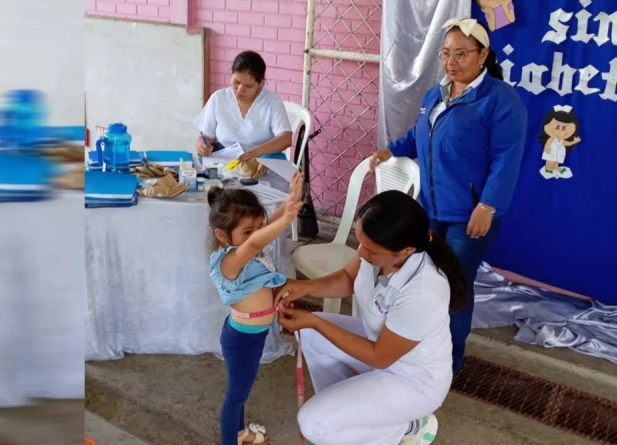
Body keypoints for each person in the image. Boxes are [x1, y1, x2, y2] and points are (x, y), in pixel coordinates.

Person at [369, 18, 528, 374]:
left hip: (468, 214)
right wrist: (391, 151)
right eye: (445, 53)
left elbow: (507, 158)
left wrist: (487, 206)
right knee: (425, 282)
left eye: (461, 54)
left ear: (483, 54)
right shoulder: (437, 93)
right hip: (431, 210)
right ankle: (420, 349)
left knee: (454, 288)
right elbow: (420, 134)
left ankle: (448, 364)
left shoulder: (501, 101)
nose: (451, 62)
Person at [274, 190, 469, 445]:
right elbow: (348, 278)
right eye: (360, 243)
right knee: (311, 334)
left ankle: (408, 428)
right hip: (381, 349)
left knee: (314, 424)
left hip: (413, 380)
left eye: (371, 251)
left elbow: (379, 356)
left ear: (407, 250)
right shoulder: (379, 249)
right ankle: (357, 417)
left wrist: (315, 320)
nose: (362, 254)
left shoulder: (424, 291)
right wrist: (305, 287)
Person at [207, 173, 303, 445]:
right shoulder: (231, 261)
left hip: (251, 335)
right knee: (236, 395)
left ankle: (238, 433)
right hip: (243, 339)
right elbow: (256, 241)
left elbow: (260, 233)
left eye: (258, 227)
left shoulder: (245, 246)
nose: (257, 234)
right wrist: (286, 220)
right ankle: (230, 440)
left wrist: (290, 201)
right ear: (222, 236)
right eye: (248, 231)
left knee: (239, 393)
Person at [194, 50, 293, 163]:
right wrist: (201, 144)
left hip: (260, 161)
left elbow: (286, 138)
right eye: (236, 82)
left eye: (248, 86)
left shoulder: (271, 101)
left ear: (260, 84)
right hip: (226, 161)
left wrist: (254, 152)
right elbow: (207, 136)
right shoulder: (218, 98)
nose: (240, 90)